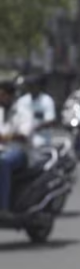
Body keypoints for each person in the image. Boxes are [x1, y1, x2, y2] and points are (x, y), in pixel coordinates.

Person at [0, 81, 33, 217]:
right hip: (2, 150)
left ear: (10, 96)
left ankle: (4, 208)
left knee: (3, 162)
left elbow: (24, 135)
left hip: (18, 152)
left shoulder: (23, 112)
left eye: (2, 95)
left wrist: (6, 137)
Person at [15, 74, 56, 148]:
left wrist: (33, 127)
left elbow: (51, 121)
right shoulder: (22, 101)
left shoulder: (47, 100)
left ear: (38, 86)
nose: (30, 87)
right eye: (29, 85)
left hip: (41, 142)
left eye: (32, 85)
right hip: (23, 142)